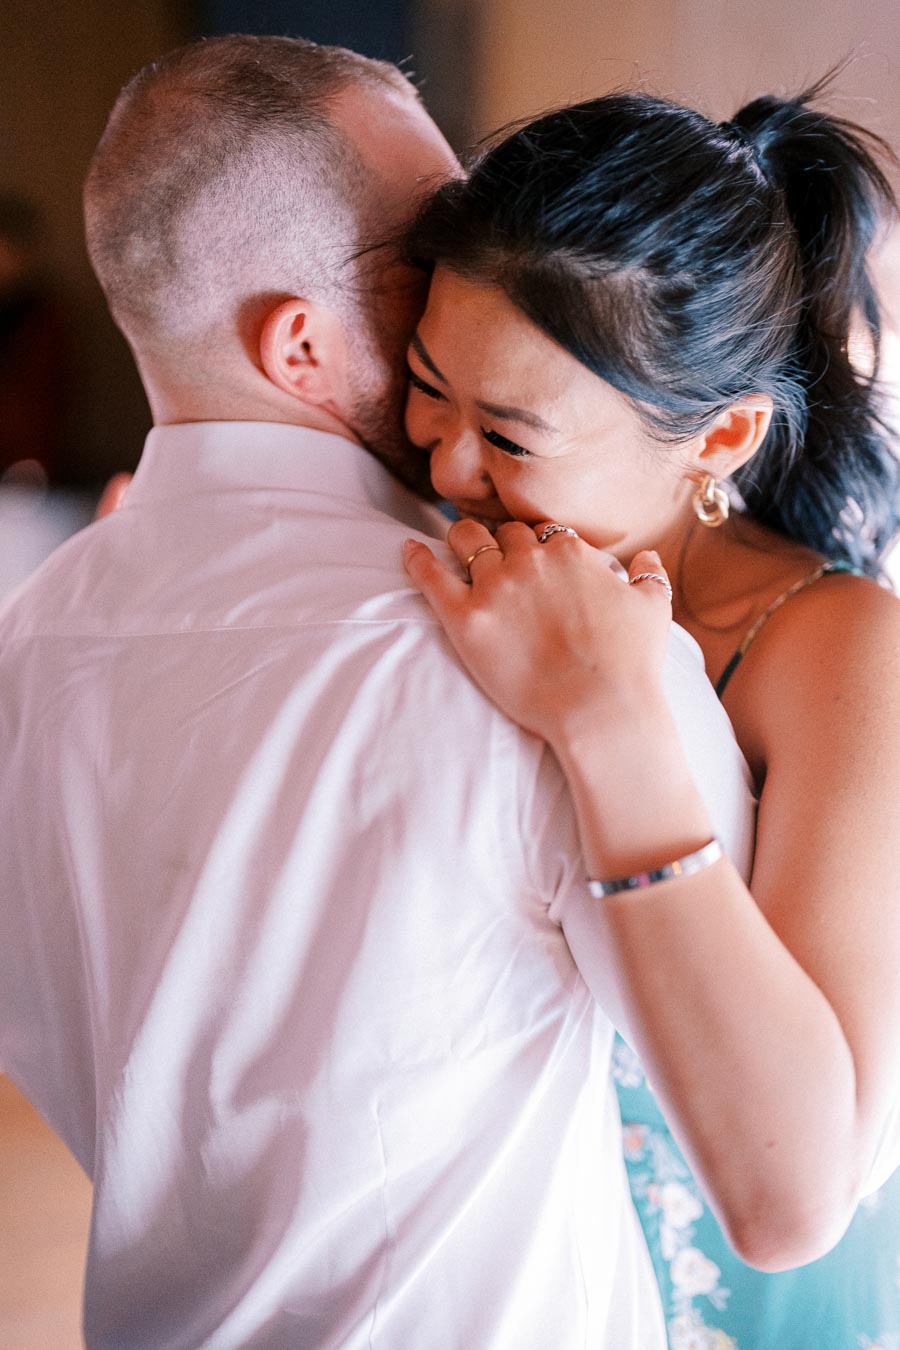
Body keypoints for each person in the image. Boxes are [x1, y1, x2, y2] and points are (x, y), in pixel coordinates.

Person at [0, 36, 754, 1350]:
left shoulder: (28, 646)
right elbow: (753, 1104)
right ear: (300, 344)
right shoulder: (556, 661)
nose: (481, 292)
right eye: (428, 265)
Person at [401, 74, 900, 1326]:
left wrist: (605, 719)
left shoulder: (838, 651)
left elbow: (805, 1191)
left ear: (721, 437)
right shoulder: (457, 561)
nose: (449, 466)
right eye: (425, 386)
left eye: (511, 438)